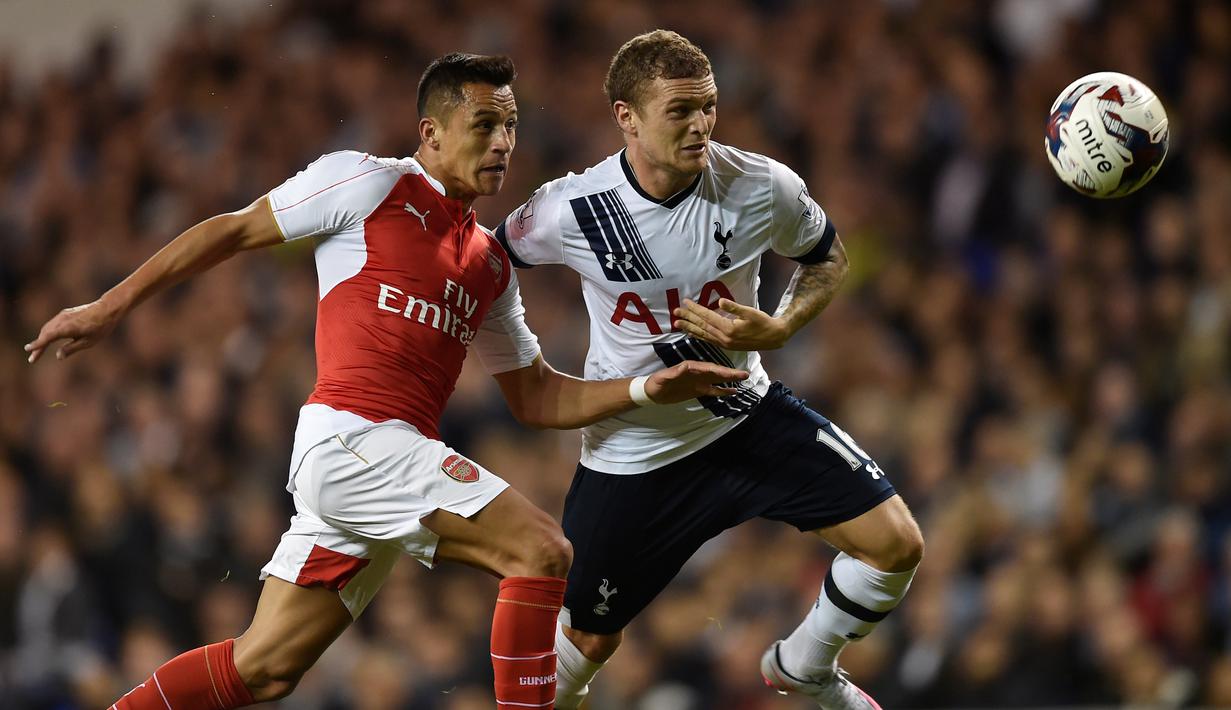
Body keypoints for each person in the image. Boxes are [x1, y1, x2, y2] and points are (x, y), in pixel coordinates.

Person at [24, 52, 744, 710]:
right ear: (431, 133)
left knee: (264, 669)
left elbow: (535, 395)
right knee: (541, 550)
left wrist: (647, 389)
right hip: (353, 438)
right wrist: (110, 305)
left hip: (373, 463)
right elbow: (235, 229)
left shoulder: (490, 265)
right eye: (484, 125)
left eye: (511, 126)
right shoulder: (370, 182)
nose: (503, 142)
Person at [494, 31, 924, 709]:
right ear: (626, 117)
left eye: (708, 107)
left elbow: (826, 258)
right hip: (636, 452)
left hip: (744, 416)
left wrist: (782, 325)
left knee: (896, 545)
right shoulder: (571, 209)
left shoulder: (761, 185)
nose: (700, 125)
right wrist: (516, 353)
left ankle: (804, 667)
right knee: (589, 639)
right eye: (679, 111)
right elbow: (484, 264)